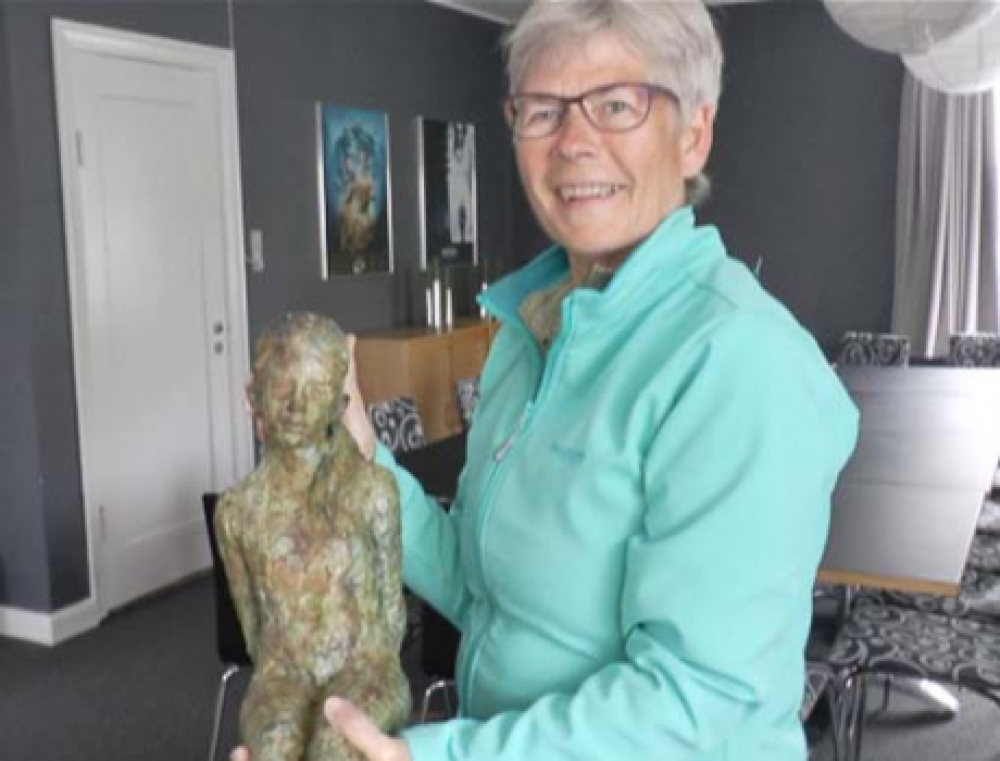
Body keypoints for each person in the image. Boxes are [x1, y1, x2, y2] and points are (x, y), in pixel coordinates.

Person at [237, 1, 858, 760]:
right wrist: (363, 459)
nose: (573, 141)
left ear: (693, 134)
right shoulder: (527, 332)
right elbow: (481, 588)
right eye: (542, 110)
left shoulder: (740, 362)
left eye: (617, 104)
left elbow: (697, 705)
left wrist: (438, 755)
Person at [218, 313, 410, 761]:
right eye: (282, 387)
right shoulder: (237, 512)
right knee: (275, 746)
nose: (297, 406)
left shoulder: (371, 492)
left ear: (339, 405)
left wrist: (367, 665)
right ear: (254, 395)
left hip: (366, 666)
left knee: (335, 745)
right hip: (281, 674)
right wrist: (285, 672)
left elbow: (391, 618)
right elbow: (255, 631)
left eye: (316, 389)